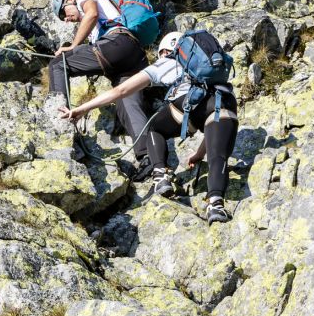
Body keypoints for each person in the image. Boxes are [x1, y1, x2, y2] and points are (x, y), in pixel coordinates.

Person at [58, 30, 239, 224]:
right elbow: (212, 127)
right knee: (218, 156)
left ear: (167, 51)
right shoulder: (211, 70)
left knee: (155, 128)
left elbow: (121, 90)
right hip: (225, 102)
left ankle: (160, 174)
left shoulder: (167, 62)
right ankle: (215, 205)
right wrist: (199, 154)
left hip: (189, 103)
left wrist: (82, 108)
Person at [48, 0, 154, 178]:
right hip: (133, 54)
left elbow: (92, 14)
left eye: (64, 13)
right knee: (128, 104)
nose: (66, 19)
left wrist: (73, 46)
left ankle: (57, 119)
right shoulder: (100, 24)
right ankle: (149, 157)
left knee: (58, 64)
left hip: (116, 44)